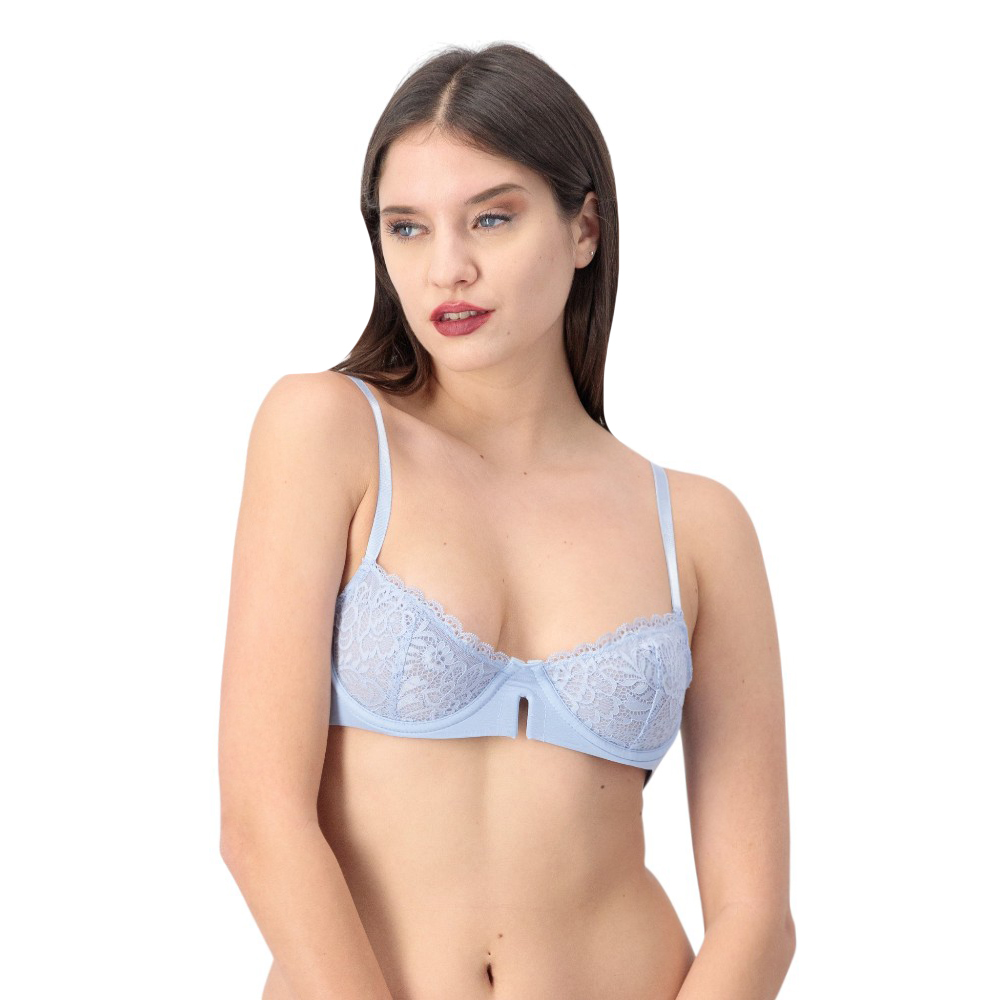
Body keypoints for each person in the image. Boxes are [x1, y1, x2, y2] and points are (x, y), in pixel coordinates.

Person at [219, 42, 795, 1000]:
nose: (448, 267)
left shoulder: (699, 527)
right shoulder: (327, 432)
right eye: (408, 228)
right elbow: (260, 821)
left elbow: (755, 916)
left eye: (492, 216)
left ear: (584, 228)